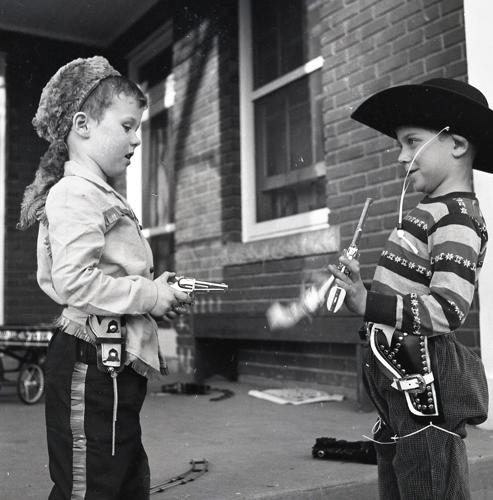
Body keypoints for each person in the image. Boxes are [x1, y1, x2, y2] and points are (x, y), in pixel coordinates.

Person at [17, 56, 192, 500]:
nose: (137, 140)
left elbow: (111, 269)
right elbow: (75, 282)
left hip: (107, 360)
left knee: (121, 474)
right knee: (93, 484)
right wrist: (150, 296)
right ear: (83, 124)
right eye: (129, 126)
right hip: (92, 361)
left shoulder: (95, 191)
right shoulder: (74, 193)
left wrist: (157, 287)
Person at [328, 78, 492, 499]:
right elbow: (406, 289)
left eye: (411, 142)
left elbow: (448, 309)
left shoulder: (456, 218)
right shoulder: (430, 210)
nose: (402, 157)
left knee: (428, 479)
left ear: (455, 144)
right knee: (401, 477)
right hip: (396, 369)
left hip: (424, 375)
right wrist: (362, 292)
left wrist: (370, 303)